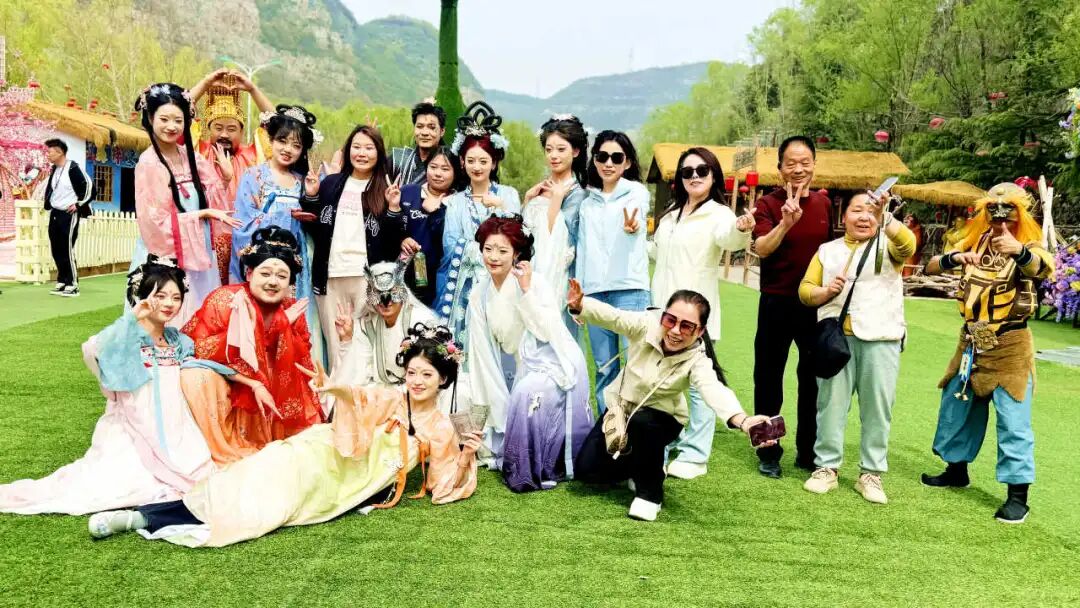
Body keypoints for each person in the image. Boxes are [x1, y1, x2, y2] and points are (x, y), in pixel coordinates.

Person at [87, 324, 482, 547]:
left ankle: (143, 518)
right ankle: (145, 514)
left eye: (427, 374)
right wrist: (335, 389)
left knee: (274, 498)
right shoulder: (392, 397)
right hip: (328, 448)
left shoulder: (441, 427)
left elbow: (442, 485)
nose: (416, 381)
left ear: (443, 379)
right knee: (261, 468)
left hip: (350, 478)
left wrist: (466, 454)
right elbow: (360, 398)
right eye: (411, 372)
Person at [0, 258, 227, 515]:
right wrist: (133, 318)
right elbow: (94, 349)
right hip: (132, 421)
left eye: (176, 298)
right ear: (143, 297)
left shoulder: (178, 340)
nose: (169, 304)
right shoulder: (128, 335)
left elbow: (197, 368)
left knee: (198, 470)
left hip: (176, 423)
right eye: (160, 296)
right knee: (124, 481)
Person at [568, 282, 775, 521]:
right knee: (588, 471)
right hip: (621, 411)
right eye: (670, 320)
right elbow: (615, 317)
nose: (675, 331)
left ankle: (650, 494)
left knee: (643, 425)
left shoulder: (698, 360)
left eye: (686, 326)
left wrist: (744, 421)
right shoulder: (646, 325)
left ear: (700, 331)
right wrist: (581, 305)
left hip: (662, 419)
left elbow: (713, 389)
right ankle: (636, 466)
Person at [920, 183, 1054, 524]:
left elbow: (1042, 268)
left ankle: (1018, 496)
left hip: (1010, 348)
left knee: (1013, 422)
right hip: (971, 344)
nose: (1000, 221)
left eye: (1008, 214)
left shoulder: (1030, 244)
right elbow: (930, 267)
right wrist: (956, 258)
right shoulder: (974, 240)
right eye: (993, 214)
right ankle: (956, 470)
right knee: (956, 407)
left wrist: (1018, 251)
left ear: (1020, 215)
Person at [798, 192, 915, 504]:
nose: (864, 217)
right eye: (857, 210)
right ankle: (826, 467)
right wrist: (826, 291)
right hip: (836, 342)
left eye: (871, 212)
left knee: (878, 408)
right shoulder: (827, 251)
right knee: (830, 405)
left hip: (882, 338)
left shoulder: (888, 244)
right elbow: (805, 291)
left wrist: (886, 217)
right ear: (844, 216)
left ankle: (871, 473)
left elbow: (908, 245)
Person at [650, 147, 756, 480]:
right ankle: (664, 442)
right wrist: (632, 234)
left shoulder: (719, 214)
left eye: (701, 170)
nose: (694, 176)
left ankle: (696, 454)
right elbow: (655, 252)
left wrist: (742, 227)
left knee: (700, 384)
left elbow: (730, 239)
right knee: (661, 381)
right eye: (687, 172)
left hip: (696, 315)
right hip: (662, 311)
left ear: (713, 176)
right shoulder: (671, 215)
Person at [466, 216, 593, 492]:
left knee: (526, 392)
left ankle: (530, 467)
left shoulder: (535, 282)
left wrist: (526, 291)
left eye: (503, 250)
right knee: (471, 392)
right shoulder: (479, 293)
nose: (494, 257)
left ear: (516, 254)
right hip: (513, 362)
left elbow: (546, 331)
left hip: (551, 362)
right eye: (488, 249)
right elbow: (481, 350)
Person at [180, 227, 324, 464]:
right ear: (249, 273)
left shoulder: (291, 308)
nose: (273, 282)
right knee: (196, 376)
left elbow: (301, 359)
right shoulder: (225, 300)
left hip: (274, 387)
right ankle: (224, 441)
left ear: (290, 282)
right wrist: (267, 328)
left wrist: (280, 328)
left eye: (282, 276)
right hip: (231, 380)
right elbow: (201, 348)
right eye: (265, 273)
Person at [750, 135, 834, 478]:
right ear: (780, 167)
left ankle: (808, 451)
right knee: (768, 378)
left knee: (812, 380)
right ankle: (768, 450)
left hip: (813, 304)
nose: (798, 169)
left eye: (804, 162)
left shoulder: (824, 203)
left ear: (814, 164)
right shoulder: (767, 204)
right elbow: (761, 248)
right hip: (776, 302)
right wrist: (786, 223)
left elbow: (832, 251)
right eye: (791, 163)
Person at [129, 82, 240, 328]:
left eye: (178, 120)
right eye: (164, 119)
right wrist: (201, 214)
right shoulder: (149, 164)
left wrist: (226, 178)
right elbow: (155, 223)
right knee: (168, 316)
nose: (171, 126)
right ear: (150, 118)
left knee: (200, 318)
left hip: (199, 248)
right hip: (169, 254)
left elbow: (214, 200)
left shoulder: (192, 157)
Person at [301, 124, 406, 364]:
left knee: (366, 343)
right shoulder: (331, 184)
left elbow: (393, 241)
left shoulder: (385, 188)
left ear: (379, 153)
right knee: (336, 345)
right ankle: (338, 389)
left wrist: (393, 208)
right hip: (331, 275)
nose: (362, 153)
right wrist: (311, 196)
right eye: (356, 147)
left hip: (367, 278)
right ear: (348, 150)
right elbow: (315, 228)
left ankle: (365, 388)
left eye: (369, 148)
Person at [229, 104, 324, 362]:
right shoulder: (253, 177)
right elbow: (242, 224)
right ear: (270, 139)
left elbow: (317, 222)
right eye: (282, 141)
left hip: (296, 264)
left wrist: (311, 200)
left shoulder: (303, 181)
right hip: (263, 262)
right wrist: (279, 218)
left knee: (294, 318)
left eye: (296, 145)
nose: (288, 149)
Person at [575, 130, 651, 415]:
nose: (609, 163)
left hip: (630, 289)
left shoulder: (637, 192)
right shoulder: (587, 203)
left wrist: (632, 227)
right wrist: (579, 298)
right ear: (594, 160)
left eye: (616, 158)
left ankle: (636, 431)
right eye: (602, 156)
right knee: (604, 367)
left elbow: (636, 220)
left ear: (627, 162)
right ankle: (607, 430)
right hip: (595, 293)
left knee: (636, 366)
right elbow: (582, 248)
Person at [437, 101, 521, 342]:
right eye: (471, 160)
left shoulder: (508, 196)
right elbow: (451, 245)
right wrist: (489, 252)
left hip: (502, 281)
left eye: (483, 161)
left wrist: (501, 209)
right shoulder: (454, 202)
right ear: (462, 162)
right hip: (465, 285)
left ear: (493, 163)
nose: (477, 167)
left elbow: (519, 237)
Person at [189, 68, 276, 284]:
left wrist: (253, 89)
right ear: (208, 129)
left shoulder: (253, 156)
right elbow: (178, 112)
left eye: (231, 129)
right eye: (218, 128)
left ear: (241, 132)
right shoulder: (197, 152)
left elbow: (275, 124)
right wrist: (205, 83)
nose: (224, 134)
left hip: (244, 242)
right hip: (204, 242)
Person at [521, 114, 590, 337]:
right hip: (532, 272)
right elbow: (524, 234)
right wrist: (527, 200)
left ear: (576, 151)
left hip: (560, 276)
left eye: (561, 149)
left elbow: (559, 239)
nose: (554, 155)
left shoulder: (578, 194)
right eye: (549, 149)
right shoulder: (539, 189)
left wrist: (556, 200)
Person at [331, 259, 437, 389]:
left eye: (393, 291)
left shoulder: (422, 320)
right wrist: (347, 339)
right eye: (378, 292)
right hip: (381, 389)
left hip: (416, 389)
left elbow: (432, 371)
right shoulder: (367, 324)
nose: (386, 301)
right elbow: (359, 370)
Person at [399, 146, 460, 305]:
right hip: (401, 275)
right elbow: (389, 229)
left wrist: (436, 212)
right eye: (433, 167)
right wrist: (402, 239)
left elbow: (450, 242)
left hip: (438, 280)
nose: (438, 173)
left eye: (445, 169)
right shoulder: (407, 192)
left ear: (455, 172)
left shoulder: (457, 203)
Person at [42, 138, 93, 297]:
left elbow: (89, 188)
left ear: (60, 152)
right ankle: (62, 280)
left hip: (69, 214)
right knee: (56, 248)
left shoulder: (73, 168)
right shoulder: (55, 169)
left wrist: (78, 204)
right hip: (55, 213)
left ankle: (73, 284)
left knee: (66, 248)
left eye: (50, 152)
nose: (47, 155)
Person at [389, 99, 447, 186]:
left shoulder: (451, 164)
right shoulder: (397, 159)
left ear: (442, 131)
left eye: (431, 127)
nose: (424, 133)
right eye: (419, 126)